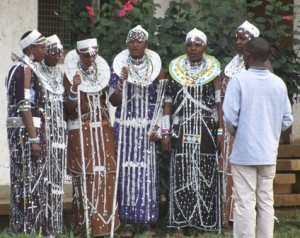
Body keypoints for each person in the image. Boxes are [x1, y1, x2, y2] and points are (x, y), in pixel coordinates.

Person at [223, 37, 293, 238]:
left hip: (245, 151)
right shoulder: (278, 83)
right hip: (268, 152)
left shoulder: (239, 81)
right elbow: (287, 119)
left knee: (244, 202)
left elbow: (229, 118)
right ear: (266, 57)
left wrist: (238, 132)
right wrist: (269, 132)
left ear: (247, 55)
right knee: (266, 200)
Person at [161, 28, 223, 235]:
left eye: (197, 45)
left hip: (206, 129)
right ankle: (180, 222)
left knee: (205, 173)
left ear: (204, 47)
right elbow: (168, 103)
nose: (193, 48)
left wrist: (221, 131)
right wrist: (166, 132)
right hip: (181, 129)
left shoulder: (213, 72)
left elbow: (218, 104)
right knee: (181, 174)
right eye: (189, 45)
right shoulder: (175, 72)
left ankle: (203, 223)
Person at [109, 25, 165, 238]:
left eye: (139, 40)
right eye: (131, 40)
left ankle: (149, 223)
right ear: (127, 44)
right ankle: (128, 224)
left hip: (148, 130)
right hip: (125, 129)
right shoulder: (118, 67)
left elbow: (162, 100)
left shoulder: (157, 67)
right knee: (126, 173)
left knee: (148, 173)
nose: (135, 44)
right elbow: (114, 101)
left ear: (146, 44)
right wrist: (122, 80)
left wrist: (159, 127)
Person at [64, 38, 120, 237]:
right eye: (86, 54)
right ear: (78, 54)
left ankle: (105, 226)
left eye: (93, 54)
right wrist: (73, 88)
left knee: (107, 173)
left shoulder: (104, 72)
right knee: (85, 174)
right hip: (82, 130)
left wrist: (120, 83)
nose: (90, 58)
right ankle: (85, 227)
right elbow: (68, 110)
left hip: (103, 130)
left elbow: (115, 100)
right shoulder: (70, 74)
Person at [220, 20, 273, 227]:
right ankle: (230, 216)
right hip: (230, 130)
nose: (238, 42)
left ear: (253, 42)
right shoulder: (233, 64)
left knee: (250, 189)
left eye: (243, 39)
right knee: (230, 175)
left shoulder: (265, 70)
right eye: (236, 39)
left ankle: (245, 224)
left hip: (248, 133)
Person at [6, 29, 47, 235]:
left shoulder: (17, 67)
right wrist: (34, 138)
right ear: (31, 48)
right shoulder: (25, 70)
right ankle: (27, 227)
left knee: (21, 178)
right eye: (41, 46)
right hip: (25, 134)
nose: (44, 50)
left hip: (19, 133)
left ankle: (22, 226)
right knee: (28, 179)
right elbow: (24, 106)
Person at [35, 34, 67, 236]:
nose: (57, 57)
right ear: (45, 52)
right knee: (43, 177)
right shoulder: (36, 71)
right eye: (54, 53)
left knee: (57, 178)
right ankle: (41, 224)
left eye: (59, 53)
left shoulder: (60, 73)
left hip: (59, 134)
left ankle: (55, 225)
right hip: (44, 132)